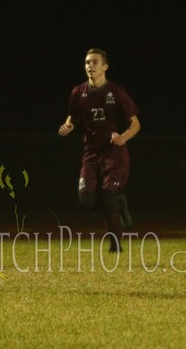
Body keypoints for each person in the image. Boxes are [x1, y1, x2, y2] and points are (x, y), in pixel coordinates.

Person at [58, 48, 141, 252]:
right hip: (91, 153)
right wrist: (68, 126)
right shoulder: (78, 92)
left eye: (95, 62)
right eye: (87, 62)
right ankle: (120, 204)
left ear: (105, 66)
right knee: (85, 201)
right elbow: (73, 117)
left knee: (108, 196)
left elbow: (136, 124)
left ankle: (115, 245)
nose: (90, 66)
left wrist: (123, 137)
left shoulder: (116, 92)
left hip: (114, 153)